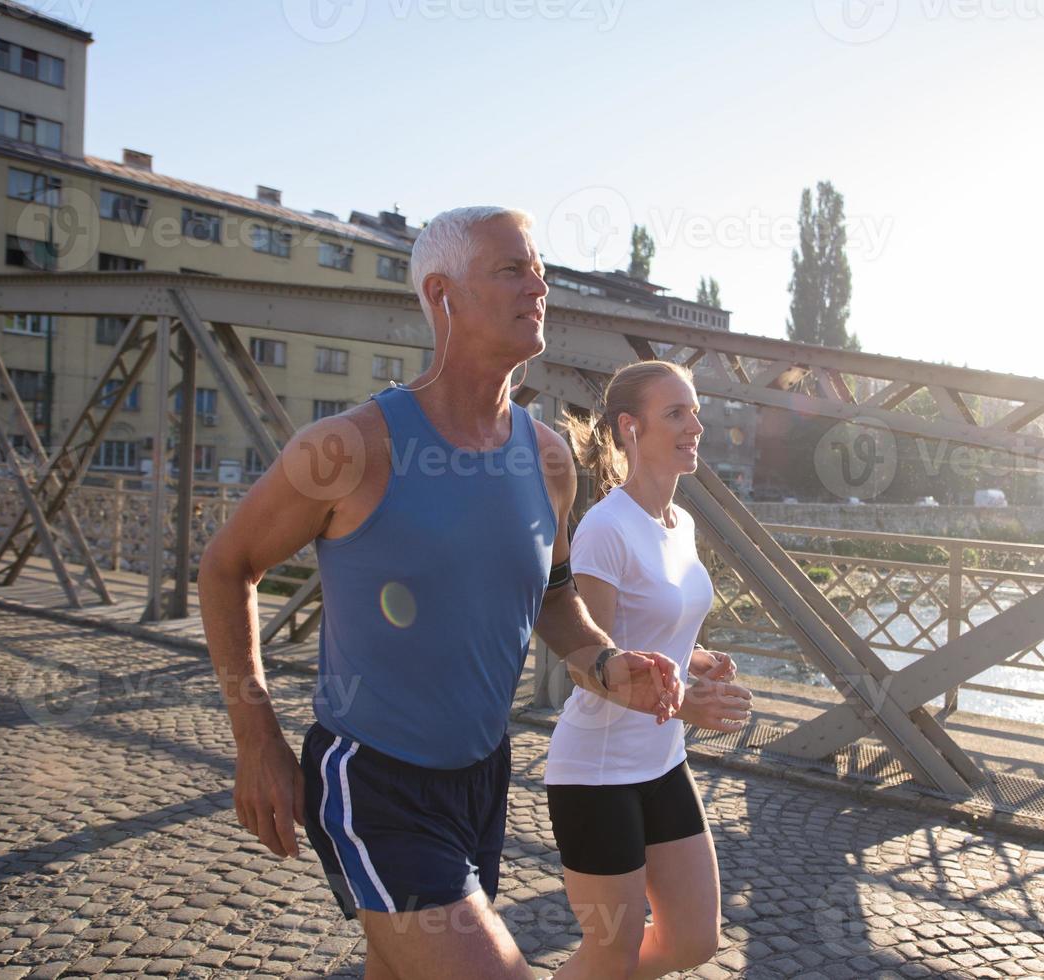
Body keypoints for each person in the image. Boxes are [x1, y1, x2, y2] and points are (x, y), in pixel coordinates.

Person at [198, 206, 683, 980]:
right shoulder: (350, 447)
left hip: (481, 778)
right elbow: (226, 568)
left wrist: (606, 663)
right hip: (372, 779)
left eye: (539, 268)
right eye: (511, 269)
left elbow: (555, 598)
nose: (540, 284)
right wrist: (256, 740)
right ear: (443, 293)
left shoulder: (549, 459)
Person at [546, 360, 755, 980]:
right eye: (677, 413)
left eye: (694, 410)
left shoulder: (680, 522)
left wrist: (696, 658)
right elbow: (590, 664)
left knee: (693, 940)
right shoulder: (605, 530)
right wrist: (685, 702)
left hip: (663, 762)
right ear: (630, 428)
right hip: (597, 772)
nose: (696, 424)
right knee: (610, 952)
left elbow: (648, 628)